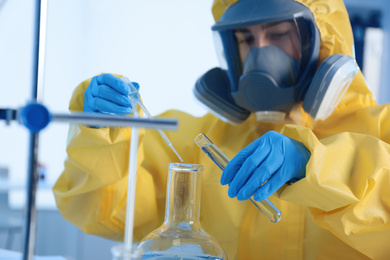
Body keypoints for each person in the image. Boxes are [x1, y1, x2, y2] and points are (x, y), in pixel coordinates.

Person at [53, 0, 390, 259]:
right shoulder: (195, 142)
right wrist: (102, 131)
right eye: (246, 38)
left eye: (277, 35)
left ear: (321, 40)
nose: (259, 52)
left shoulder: (380, 129)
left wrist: (319, 169)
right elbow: (105, 212)